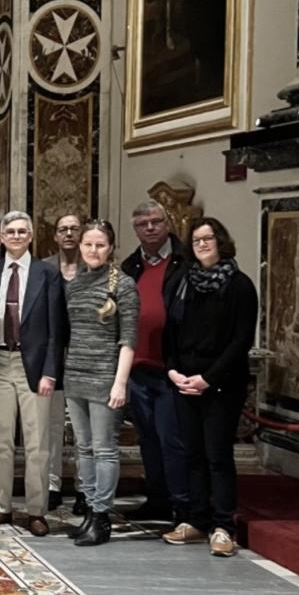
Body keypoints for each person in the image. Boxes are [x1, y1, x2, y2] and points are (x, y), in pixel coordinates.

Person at [163, 218, 258, 557]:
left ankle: (223, 526)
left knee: (217, 456)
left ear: (221, 242)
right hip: (184, 381)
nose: (203, 244)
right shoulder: (181, 282)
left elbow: (240, 341)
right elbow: (169, 330)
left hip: (221, 384)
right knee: (193, 455)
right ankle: (196, 520)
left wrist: (208, 378)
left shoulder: (239, 285)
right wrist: (173, 370)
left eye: (209, 238)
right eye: (198, 239)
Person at [0, 212, 64, 538]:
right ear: (1, 237)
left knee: (37, 443)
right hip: (0, 363)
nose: (15, 236)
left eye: (21, 231)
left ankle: (36, 510)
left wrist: (50, 373)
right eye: (10, 231)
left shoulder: (47, 274)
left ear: (31, 236)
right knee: (0, 441)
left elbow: (57, 331)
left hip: (34, 367)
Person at [63, 220, 140, 547]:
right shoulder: (75, 283)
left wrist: (120, 383)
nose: (93, 250)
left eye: (100, 245)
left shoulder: (123, 285)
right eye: (88, 244)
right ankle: (90, 512)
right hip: (75, 375)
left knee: (105, 448)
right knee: (84, 447)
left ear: (111, 248)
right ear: (80, 246)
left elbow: (129, 340)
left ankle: (103, 516)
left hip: (106, 376)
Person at [122, 201, 190, 524]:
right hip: (137, 368)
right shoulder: (129, 266)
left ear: (167, 222)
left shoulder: (184, 262)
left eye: (155, 222)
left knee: (171, 439)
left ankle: (181, 504)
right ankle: (157, 499)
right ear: (135, 229)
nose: (149, 228)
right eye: (142, 223)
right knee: (148, 440)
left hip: (170, 369)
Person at [42, 212, 83, 511]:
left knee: (83, 425)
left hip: (85, 353)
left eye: (74, 229)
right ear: (55, 236)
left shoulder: (95, 267)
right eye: (62, 229)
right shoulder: (43, 269)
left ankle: (84, 487)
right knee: (52, 423)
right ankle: (52, 484)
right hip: (53, 353)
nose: (68, 234)